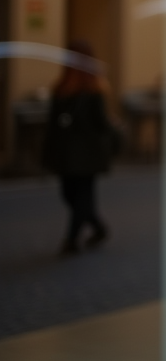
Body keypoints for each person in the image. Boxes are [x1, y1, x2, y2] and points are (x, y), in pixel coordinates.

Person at [41, 40, 118, 255]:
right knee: (69, 194)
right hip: (68, 153)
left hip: (88, 154)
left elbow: (100, 123)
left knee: (81, 195)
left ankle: (71, 240)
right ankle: (98, 227)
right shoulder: (62, 88)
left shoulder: (93, 90)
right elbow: (53, 125)